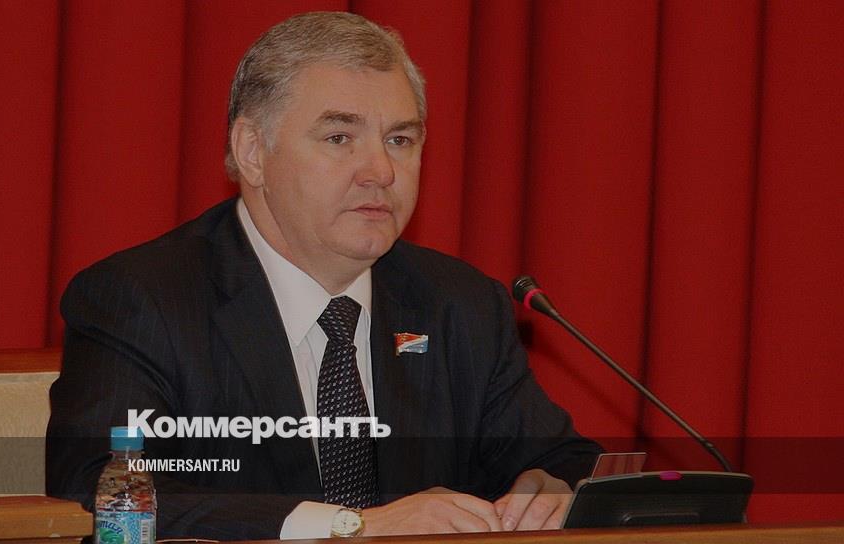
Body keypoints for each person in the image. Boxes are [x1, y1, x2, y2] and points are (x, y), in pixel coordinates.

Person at [46, 11, 601, 541]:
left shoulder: (460, 305)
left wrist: (552, 491)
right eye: (339, 138)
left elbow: (568, 464)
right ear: (252, 151)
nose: (381, 171)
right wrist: (350, 525)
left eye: (400, 140)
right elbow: (101, 486)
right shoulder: (144, 299)